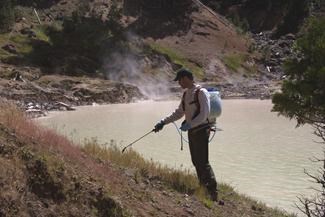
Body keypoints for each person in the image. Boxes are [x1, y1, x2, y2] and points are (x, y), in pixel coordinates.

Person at [154, 68, 218, 201]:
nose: (179, 83)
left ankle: (212, 192)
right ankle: (203, 187)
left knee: (203, 162)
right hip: (192, 131)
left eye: (180, 80)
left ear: (186, 78)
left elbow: (204, 114)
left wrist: (190, 124)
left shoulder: (201, 92)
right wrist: (163, 122)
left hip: (201, 130)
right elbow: (178, 113)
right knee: (196, 161)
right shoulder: (186, 94)